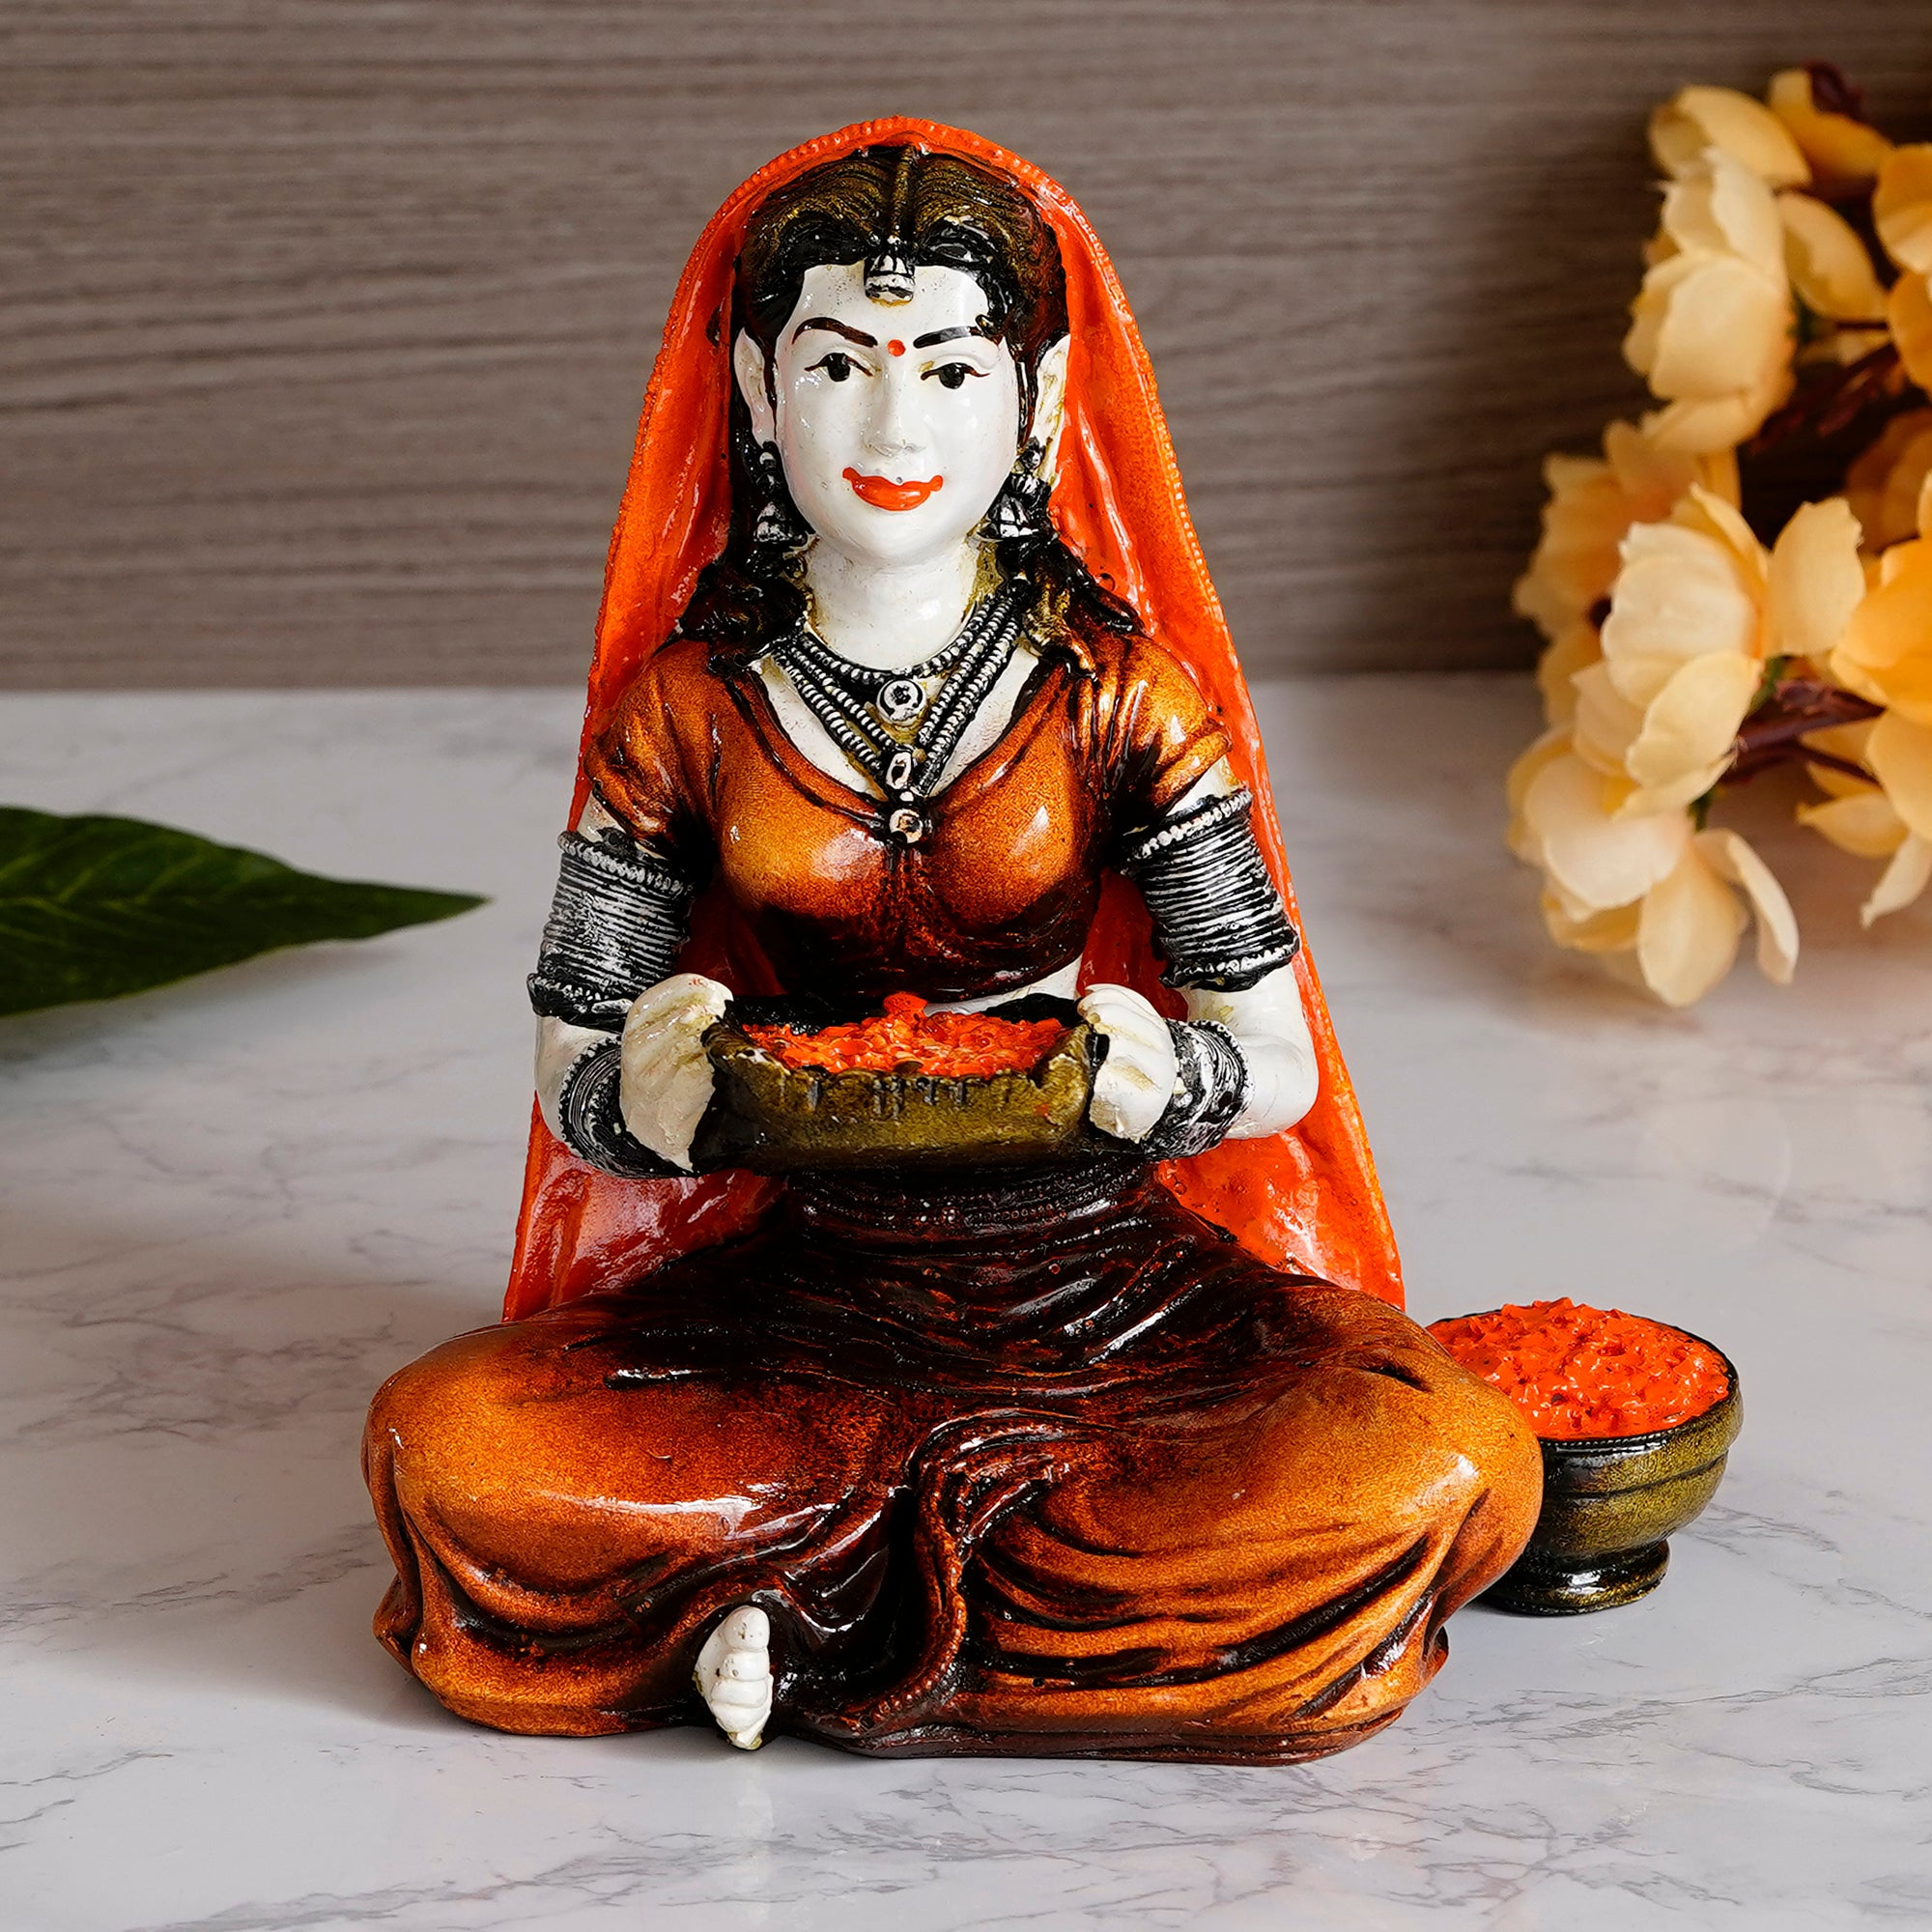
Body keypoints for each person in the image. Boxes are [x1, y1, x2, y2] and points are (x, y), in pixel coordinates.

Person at [363, 123, 1540, 1764]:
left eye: (950, 369)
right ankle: (1010, 1633)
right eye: (839, 366)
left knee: (1447, 1456)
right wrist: (651, 1094)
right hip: (801, 1301)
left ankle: (791, 1612)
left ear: (1042, 405)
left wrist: (1167, 1078)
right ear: (759, 398)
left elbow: (1272, 1060)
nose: (895, 425)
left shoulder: (1120, 693)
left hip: (1105, 1296)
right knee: (453, 1441)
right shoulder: (689, 711)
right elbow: (574, 1069)